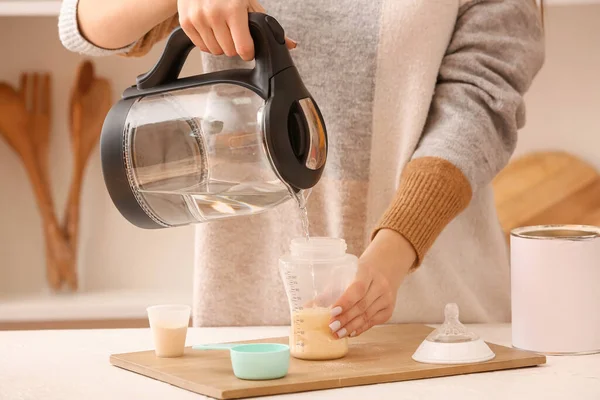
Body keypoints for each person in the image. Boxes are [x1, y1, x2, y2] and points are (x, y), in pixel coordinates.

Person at [58, 0, 545, 338]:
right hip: (254, 326)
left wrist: (397, 246)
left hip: (436, 324)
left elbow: (481, 103)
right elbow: (83, 24)